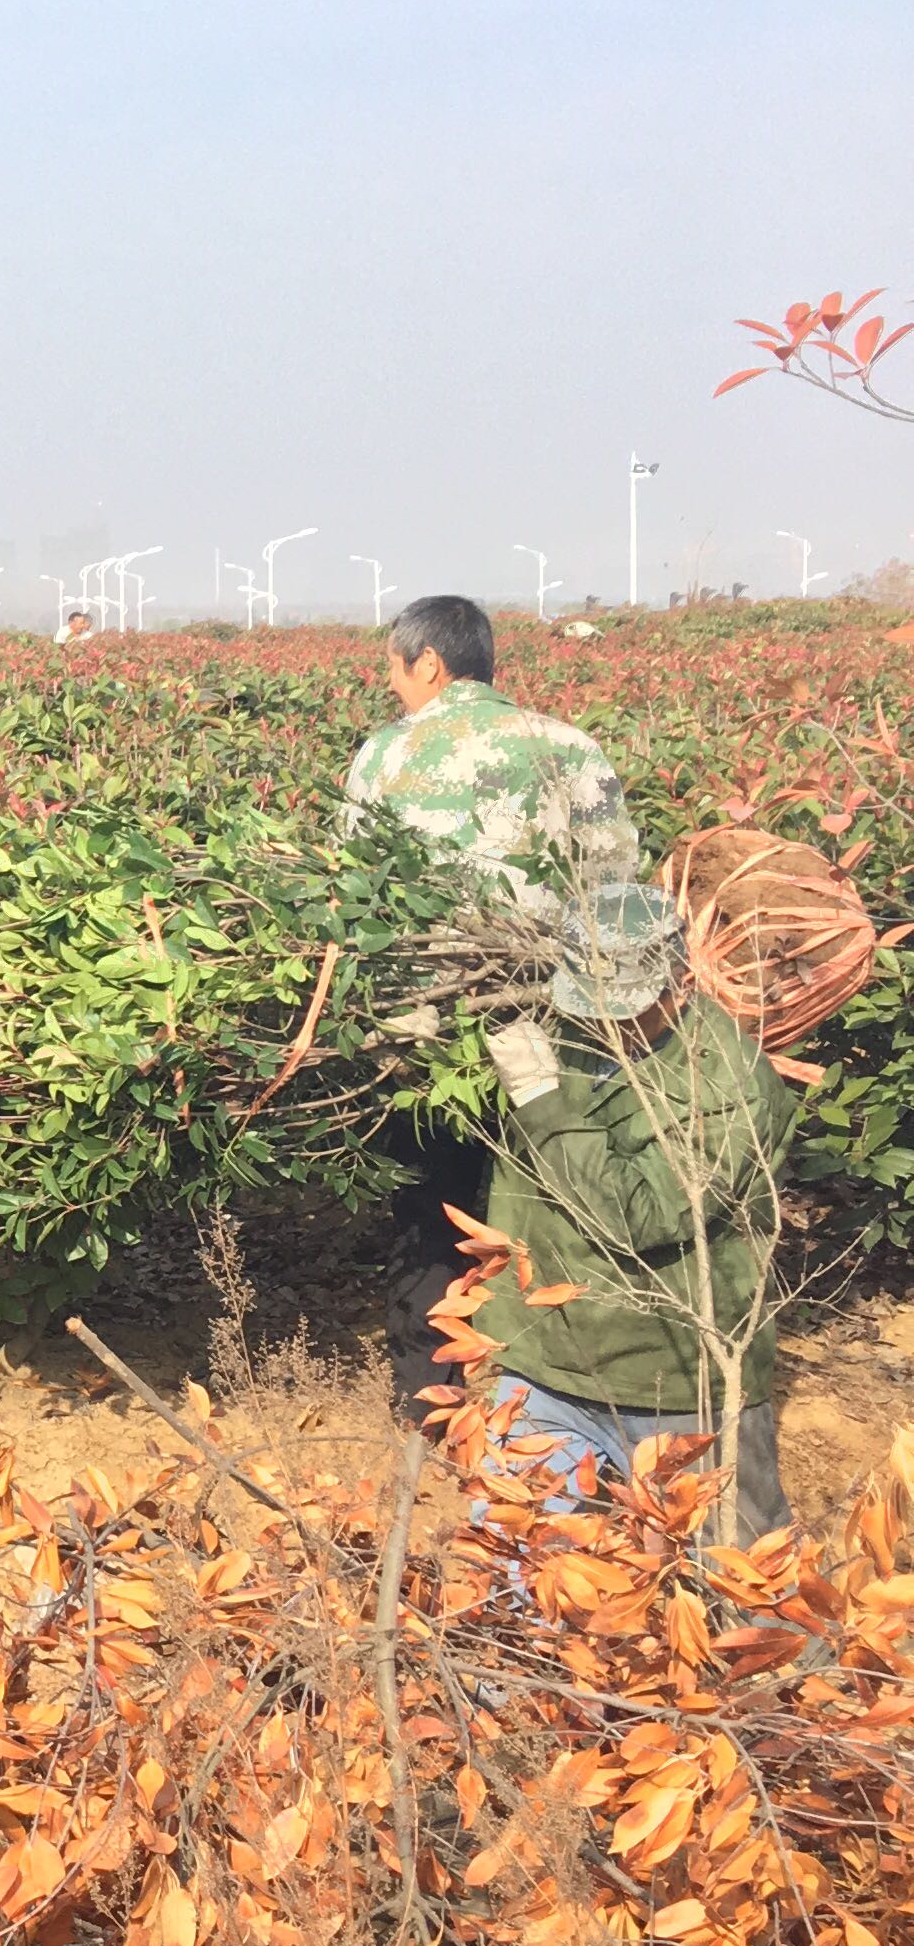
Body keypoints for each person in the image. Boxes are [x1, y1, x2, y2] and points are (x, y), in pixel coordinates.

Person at [342, 594, 641, 1405]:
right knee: (552, 1194)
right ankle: (556, 1391)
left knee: (431, 1208)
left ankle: (428, 1399)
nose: (392, 687)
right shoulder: (569, 747)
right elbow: (615, 886)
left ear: (428, 663)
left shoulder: (384, 756)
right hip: (552, 1019)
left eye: (395, 671)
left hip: (425, 1025)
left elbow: (361, 892)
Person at [469, 882, 800, 1541]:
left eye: (629, 1008)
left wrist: (541, 1098)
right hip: (544, 1362)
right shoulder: (558, 1023)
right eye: (588, 1003)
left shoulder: (724, 1082)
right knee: (526, 1567)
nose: (606, 1023)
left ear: (681, 984)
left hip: (675, 1380)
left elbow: (638, 1219)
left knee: (744, 1588)